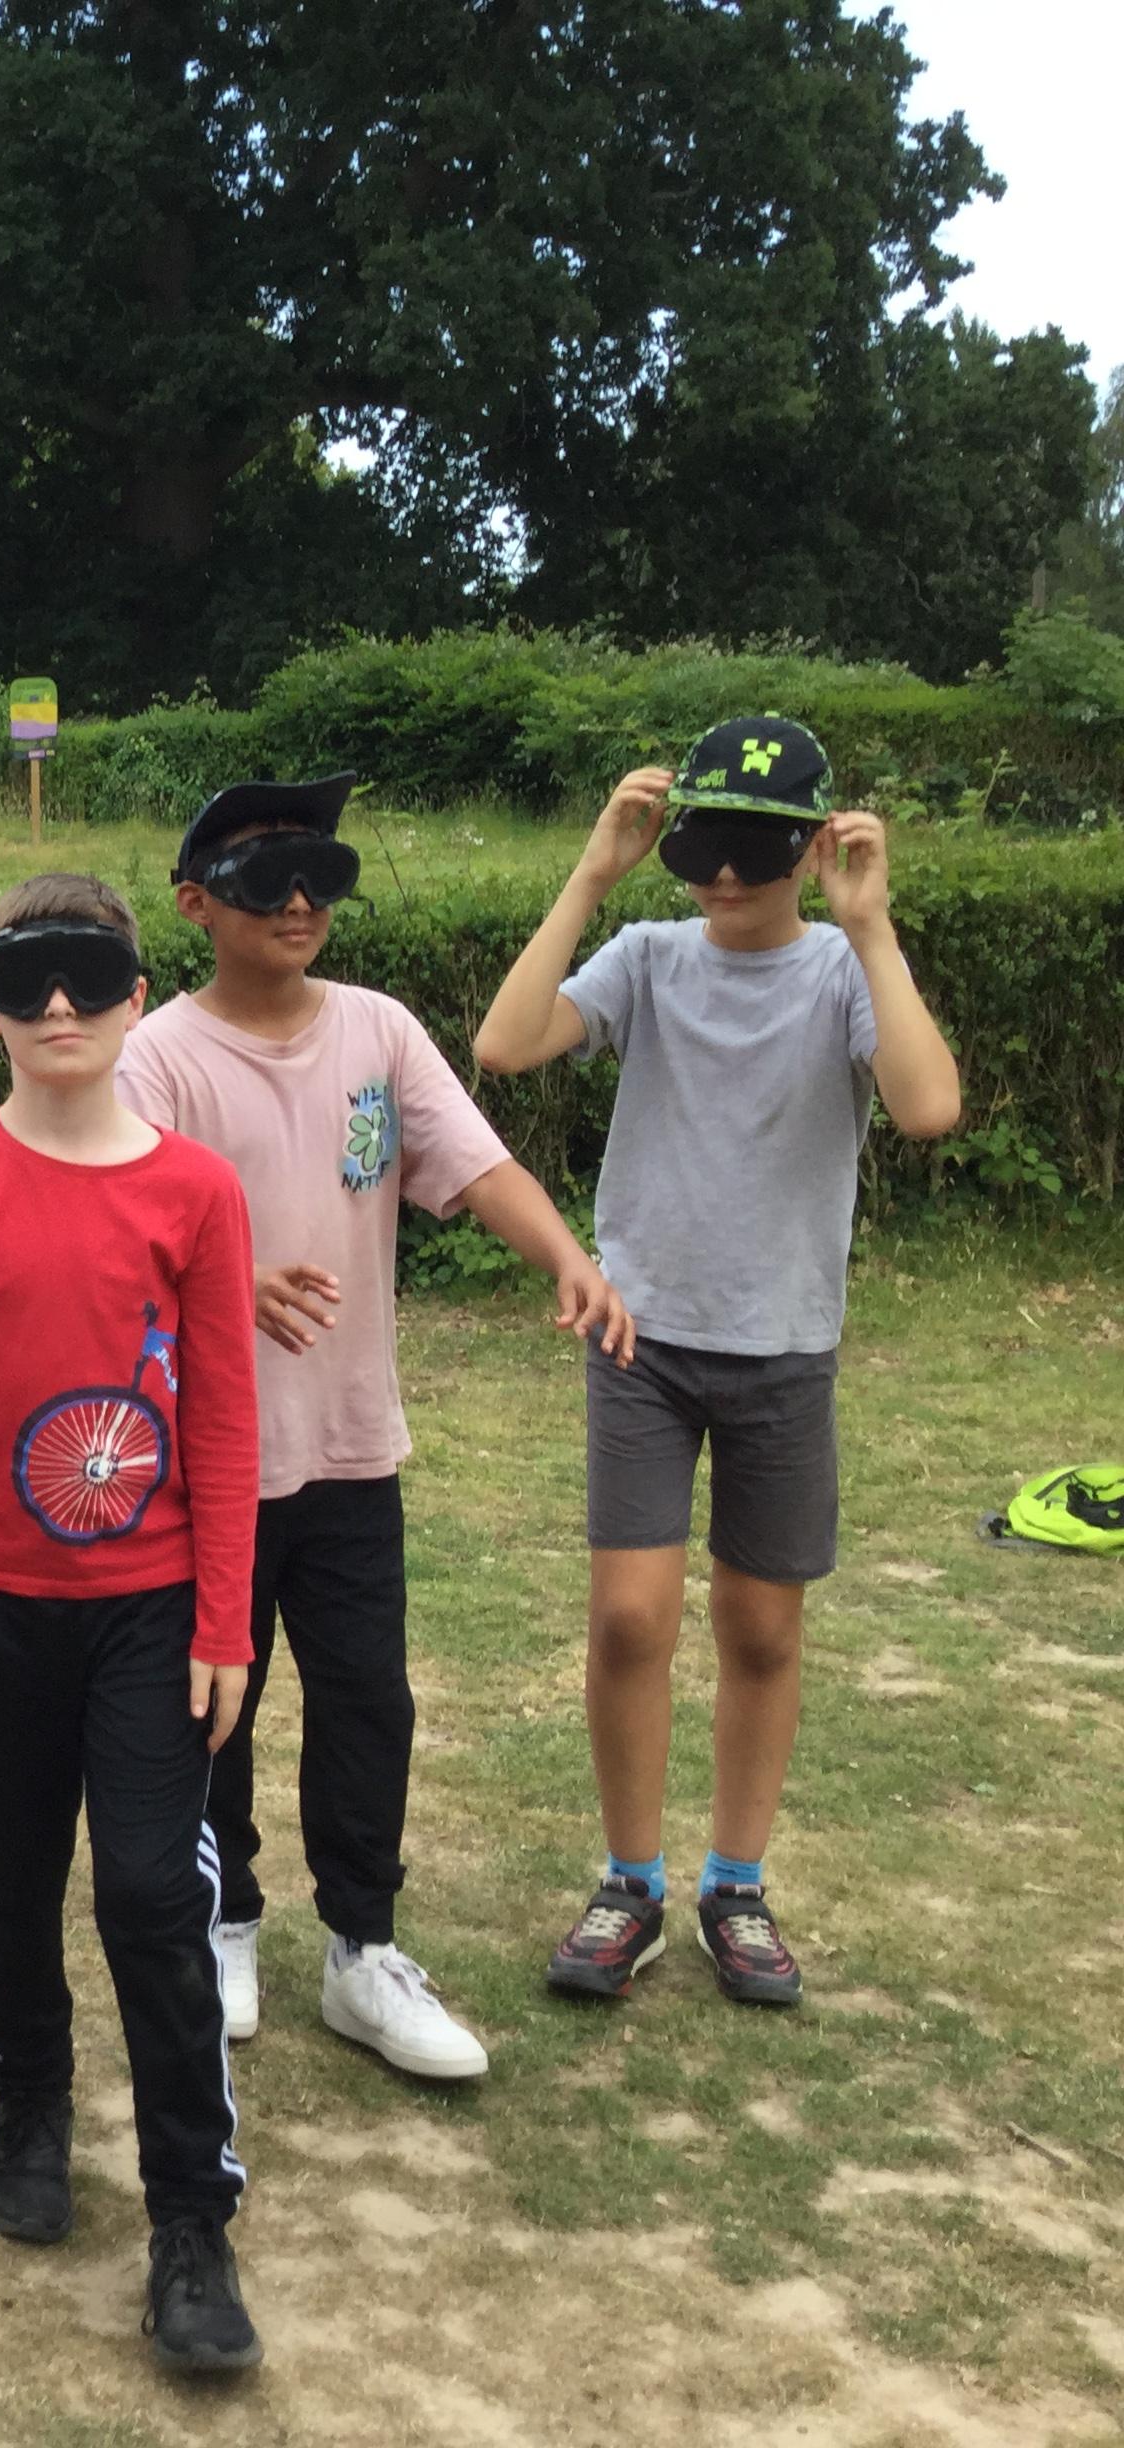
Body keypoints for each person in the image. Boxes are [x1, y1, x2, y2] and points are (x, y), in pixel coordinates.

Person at [115, 775, 635, 2082]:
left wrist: (565, 1257)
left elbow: (476, 1162)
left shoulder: (378, 1031)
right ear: (196, 904)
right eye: (262, 876)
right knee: (211, 1703)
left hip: (349, 1445)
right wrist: (226, 1283)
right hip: (204, 1459)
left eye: (320, 872)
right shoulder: (157, 1056)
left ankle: (364, 1951)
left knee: (367, 1702)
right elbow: (112, 1225)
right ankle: (226, 1920)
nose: (298, 899)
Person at [474, 721, 960, 2006]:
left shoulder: (842, 973)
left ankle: (735, 1885)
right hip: (641, 1339)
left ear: (810, 847)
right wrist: (592, 875)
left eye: (754, 850)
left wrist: (872, 929)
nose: (726, 878)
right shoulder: (649, 957)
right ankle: (630, 1882)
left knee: (760, 1627)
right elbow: (505, 1045)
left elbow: (927, 1107)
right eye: (702, 850)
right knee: (629, 1619)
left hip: (783, 1348)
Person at [0, 872, 266, 2374]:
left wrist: (224, 1619)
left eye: (88, 976)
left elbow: (224, 1415)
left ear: (137, 996)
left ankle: (192, 2215)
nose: (56, 1006)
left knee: (155, 1896)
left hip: (151, 1611)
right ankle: (29, 2101)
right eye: (26, 978)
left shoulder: (197, 1194)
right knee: (12, 1876)